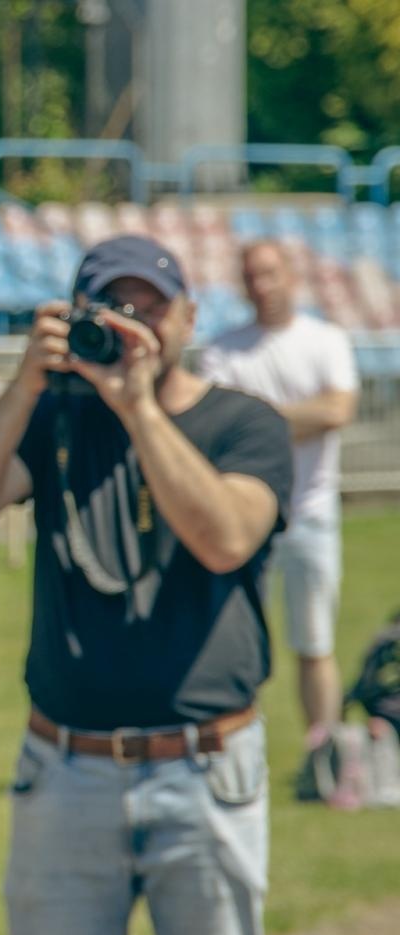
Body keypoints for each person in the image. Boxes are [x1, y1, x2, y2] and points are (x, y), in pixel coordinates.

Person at [0, 235, 294, 935]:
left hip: (205, 769)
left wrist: (139, 407)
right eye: (114, 305)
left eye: (151, 305)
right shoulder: (56, 418)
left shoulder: (244, 423)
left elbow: (223, 539)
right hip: (66, 766)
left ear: (188, 317)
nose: (134, 324)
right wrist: (26, 385)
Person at [198, 239, 359, 744]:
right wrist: (290, 420)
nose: (261, 286)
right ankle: (240, 745)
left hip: (310, 513)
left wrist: (253, 425)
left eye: (269, 274)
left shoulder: (326, 339)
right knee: (237, 642)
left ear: (292, 275)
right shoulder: (222, 349)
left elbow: (337, 410)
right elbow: (212, 433)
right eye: (251, 276)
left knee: (315, 643)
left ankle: (324, 753)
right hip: (244, 517)